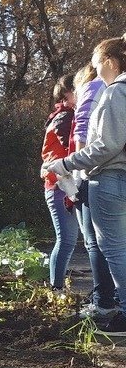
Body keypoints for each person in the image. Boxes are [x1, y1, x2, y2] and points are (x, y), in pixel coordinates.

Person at [45, 37, 126, 335]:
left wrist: (66, 164)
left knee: (114, 249)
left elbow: (106, 145)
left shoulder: (117, 91)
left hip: (110, 177)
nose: (91, 68)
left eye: (94, 61)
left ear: (108, 61)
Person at [71, 64, 115, 320]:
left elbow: (82, 134)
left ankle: (104, 302)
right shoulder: (113, 88)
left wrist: (77, 174)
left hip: (94, 174)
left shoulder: (92, 87)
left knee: (95, 242)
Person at [40, 75, 79, 291]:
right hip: (59, 186)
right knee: (65, 240)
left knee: (68, 241)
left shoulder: (63, 116)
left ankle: (57, 287)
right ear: (66, 94)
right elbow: (73, 148)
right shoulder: (64, 118)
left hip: (62, 185)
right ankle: (56, 288)